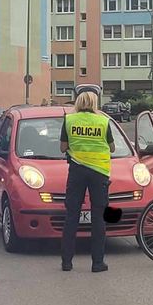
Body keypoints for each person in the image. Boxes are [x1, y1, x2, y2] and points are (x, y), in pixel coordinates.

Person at [58, 90, 114, 273]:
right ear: (95, 103)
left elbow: (62, 147)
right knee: (99, 218)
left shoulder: (69, 120)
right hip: (99, 173)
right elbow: (112, 147)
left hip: (77, 171)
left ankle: (67, 262)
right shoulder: (103, 121)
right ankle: (97, 263)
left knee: (72, 215)